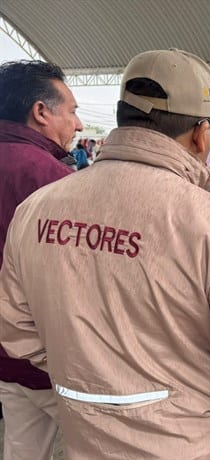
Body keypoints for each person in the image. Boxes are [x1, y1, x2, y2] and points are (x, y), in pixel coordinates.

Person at [0, 49, 210, 459]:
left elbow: (16, 330)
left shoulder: (37, 210)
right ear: (201, 136)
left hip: (87, 441)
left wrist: (90, 376)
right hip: (198, 447)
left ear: (123, 117)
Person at [0, 59, 82, 460]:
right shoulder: (53, 180)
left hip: (6, 357)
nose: (79, 124)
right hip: (48, 358)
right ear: (41, 112)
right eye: (72, 111)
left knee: (21, 448)